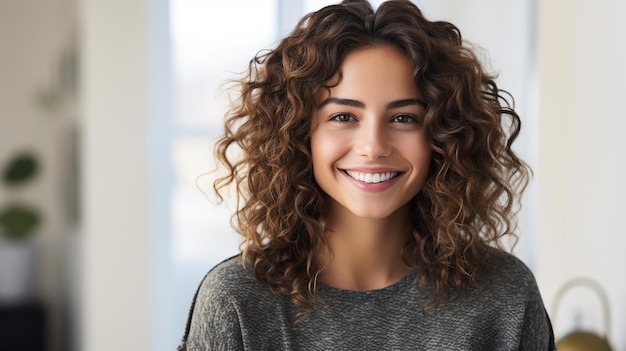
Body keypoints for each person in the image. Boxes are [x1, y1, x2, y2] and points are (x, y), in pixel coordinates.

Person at [177, 0, 556, 350]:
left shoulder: (504, 294)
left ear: (445, 136)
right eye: (344, 117)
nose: (373, 146)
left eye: (404, 118)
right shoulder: (236, 301)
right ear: (298, 134)